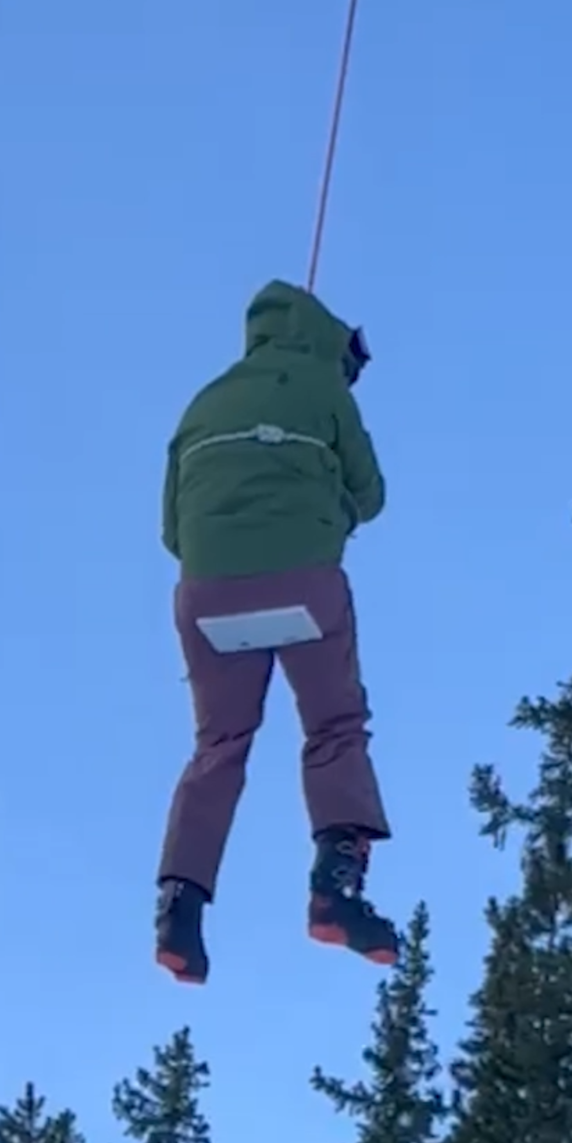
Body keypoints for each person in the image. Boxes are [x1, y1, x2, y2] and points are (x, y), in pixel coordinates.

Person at [154, 279, 399, 985]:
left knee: (219, 744)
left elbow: (172, 528)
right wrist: (328, 519)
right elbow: (372, 495)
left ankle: (180, 908)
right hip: (302, 582)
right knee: (334, 726)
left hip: (206, 594)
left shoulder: (203, 402)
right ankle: (336, 892)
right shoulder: (328, 392)